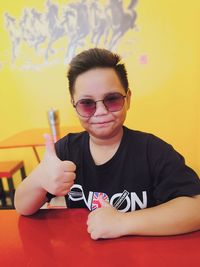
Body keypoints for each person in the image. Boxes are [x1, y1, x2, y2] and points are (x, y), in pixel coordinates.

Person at [15, 48, 200, 240]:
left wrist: (122, 222)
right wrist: (39, 179)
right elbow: (22, 206)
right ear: (74, 105)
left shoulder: (152, 151)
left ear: (127, 99)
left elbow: (195, 208)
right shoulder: (66, 150)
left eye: (112, 99)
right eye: (87, 103)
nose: (101, 111)